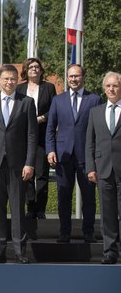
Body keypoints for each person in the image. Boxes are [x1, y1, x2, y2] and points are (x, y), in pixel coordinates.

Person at [0, 64, 37, 264]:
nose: (9, 82)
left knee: (18, 210)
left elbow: (31, 136)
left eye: (13, 79)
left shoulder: (27, 103)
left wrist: (30, 163)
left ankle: (20, 251)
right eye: (6, 79)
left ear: (16, 80)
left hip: (18, 166)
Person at [46, 64, 101, 243]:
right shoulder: (58, 100)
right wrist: (50, 149)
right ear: (67, 78)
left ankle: (88, 233)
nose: (74, 79)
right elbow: (50, 128)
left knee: (89, 198)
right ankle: (64, 233)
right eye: (71, 76)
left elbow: (99, 131)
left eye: (77, 76)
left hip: (87, 156)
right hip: (63, 155)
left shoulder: (94, 99)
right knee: (63, 197)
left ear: (83, 77)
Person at [85, 71, 121, 264]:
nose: (111, 89)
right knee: (107, 215)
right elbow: (89, 143)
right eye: (108, 86)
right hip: (103, 170)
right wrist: (91, 168)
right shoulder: (95, 112)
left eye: (115, 85)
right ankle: (110, 252)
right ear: (104, 88)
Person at [16, 58, 56, 219]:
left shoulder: (48, 87)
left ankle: (41, 209)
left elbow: (54, 110)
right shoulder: (19, 88)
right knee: (26, 174)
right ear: (25, 70)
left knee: (41, 174)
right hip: (23, 137)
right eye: (30, 67)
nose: (34, 69)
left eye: (37, 67)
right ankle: (30, 206)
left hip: (41, 136)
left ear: (41, 70)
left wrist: (40, 118)